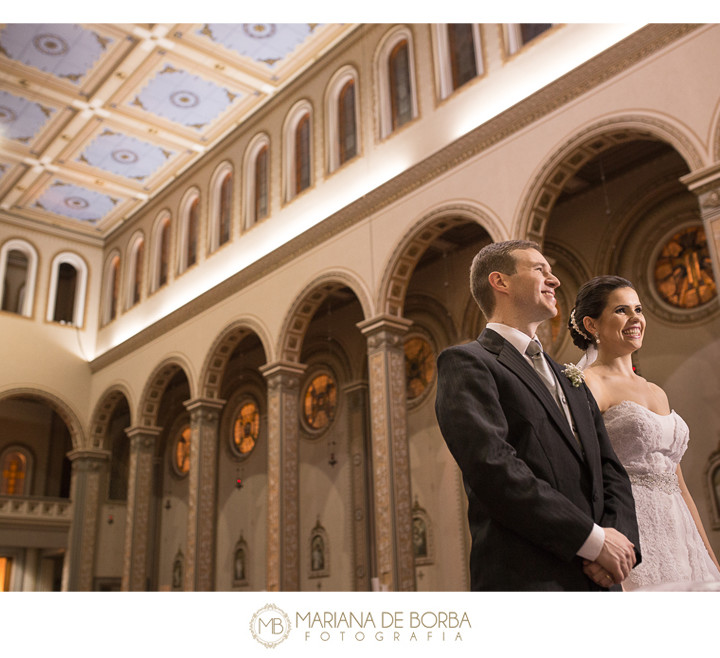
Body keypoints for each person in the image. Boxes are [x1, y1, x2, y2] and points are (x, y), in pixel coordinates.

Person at [435, 240, 640, 590]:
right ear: (500, 282)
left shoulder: (569, 376)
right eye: (540, 270)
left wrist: (619, 546)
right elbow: (494, 468)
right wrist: (591, 541)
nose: (555, 280)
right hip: (529, 576)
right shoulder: (469, 363)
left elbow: (610, 468)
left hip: (600, 578)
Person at [569, 275, 720, 590]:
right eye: (622, 310)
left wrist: (707, 553)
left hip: (682, 533)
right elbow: (581, 474)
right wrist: (598, 546)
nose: (636, 318)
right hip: (633, 528)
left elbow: (677, 483)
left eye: (638, 309)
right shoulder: (588, 384)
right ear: (591, 324)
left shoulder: (656, 391)